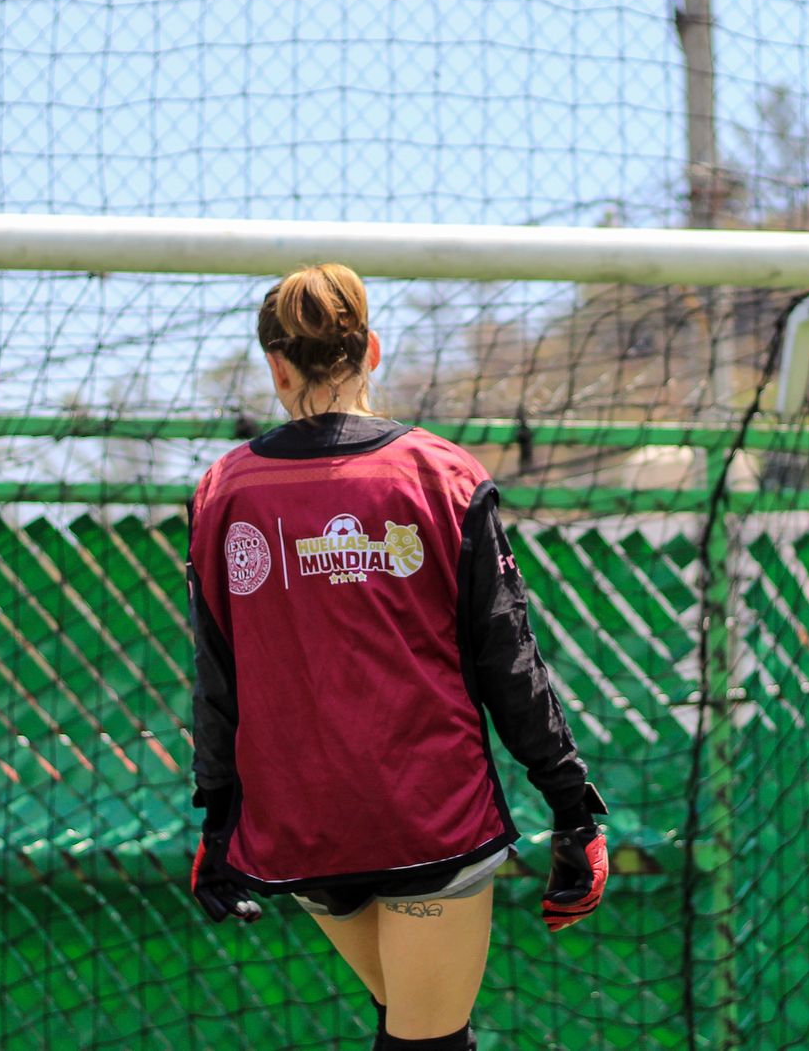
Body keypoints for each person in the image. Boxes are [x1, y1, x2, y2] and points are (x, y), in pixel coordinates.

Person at [184, 263, 609, 1051]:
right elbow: (510, 660)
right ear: (372, 350)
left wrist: (216, 816)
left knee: (413, 1024)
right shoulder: (441, 477)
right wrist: (572, 807)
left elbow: (218, 676)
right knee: (429, 1040)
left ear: (277, 367)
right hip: (428, 821)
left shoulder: (222, 492)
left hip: (300, 827)